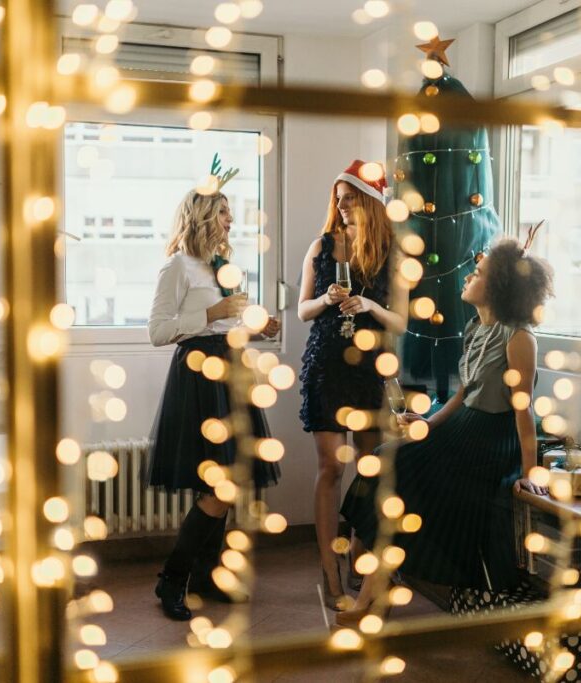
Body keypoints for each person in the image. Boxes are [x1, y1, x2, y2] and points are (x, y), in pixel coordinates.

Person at [337, 239, 553, 626]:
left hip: (489, 440)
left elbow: (523, 412)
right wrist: (427, 424)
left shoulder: (519, 337)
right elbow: (464, 392)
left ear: (499, 286)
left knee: (395, 466)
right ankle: (375, 586)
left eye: (480, 273)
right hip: (462, 426)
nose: (470, 275)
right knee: (385, 458)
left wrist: (529, 472)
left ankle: (372, 590)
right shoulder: (476, 328)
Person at [146, 185, 281, 621]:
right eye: (223, 212)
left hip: (231, 373)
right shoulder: (177, 267)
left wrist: (256, 328)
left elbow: (230, 325)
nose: (230, 221)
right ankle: (173, 577)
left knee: (228, 482)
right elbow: (158, 332)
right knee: (219, 486)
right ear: (202, 215)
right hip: (200, 378)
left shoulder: (222, 268)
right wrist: (211, 313)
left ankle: (204, 577)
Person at [297, 160, 407, 611]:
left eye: (350, 200)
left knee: (368, 467)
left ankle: (362, 556)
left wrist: (370, 305)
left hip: (367, 370)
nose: (342, 208)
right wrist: (325, 299)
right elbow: (302, 310)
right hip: (325, 365)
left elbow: (399, 320)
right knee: (331, 468)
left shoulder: (391, 253)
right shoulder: (321, 246)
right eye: (338, 200)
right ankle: (329, 567)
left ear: (370, 201)